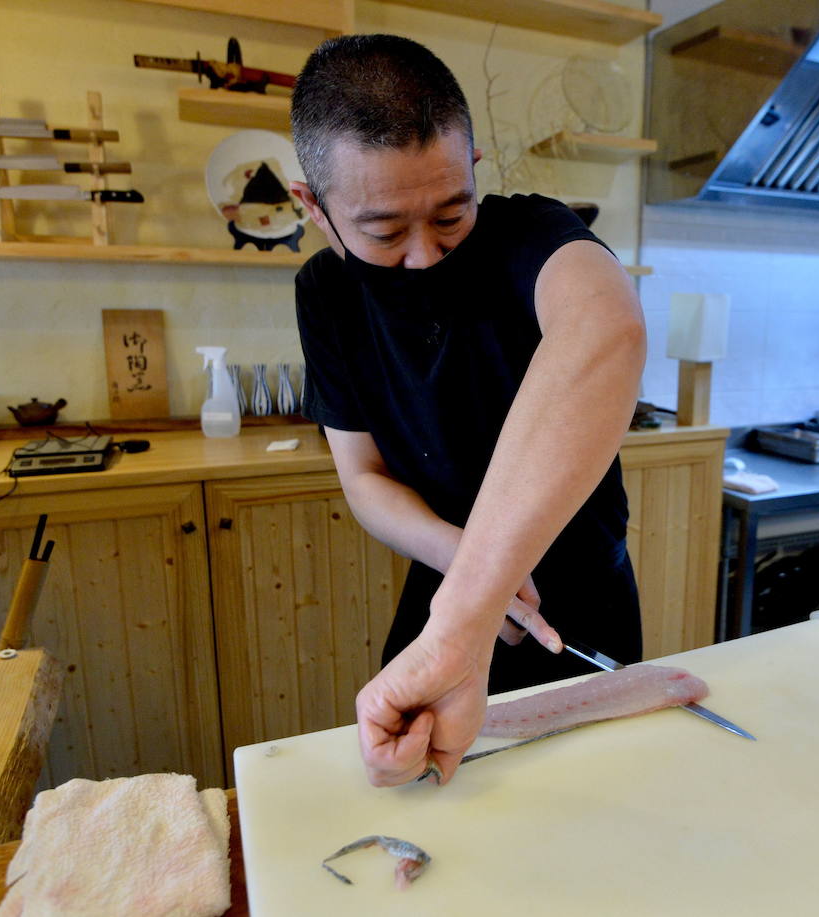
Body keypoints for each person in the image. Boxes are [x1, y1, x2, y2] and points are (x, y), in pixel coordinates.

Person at [288, 34, 647, 788]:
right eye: (384, 232)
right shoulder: (325, 295)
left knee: (592, 808)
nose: (426, 255)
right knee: (427, 803)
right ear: (313, 208)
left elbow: (606, 328)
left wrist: (466, 614)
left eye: (453, 213)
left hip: (579, 596)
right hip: (444, 575)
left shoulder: (529, 235)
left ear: (473, 170)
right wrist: (468, 579)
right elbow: (364, 476)